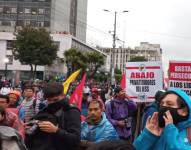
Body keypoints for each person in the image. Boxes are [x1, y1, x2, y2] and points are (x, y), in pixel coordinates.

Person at [25, 82, 81, 150]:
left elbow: (75, 139)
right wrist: (30, 128)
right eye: (49, 100)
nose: (52, 103)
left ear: (63, 95)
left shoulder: (71, 111)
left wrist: (56, 130)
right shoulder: (45, 110)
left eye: (56, 100)